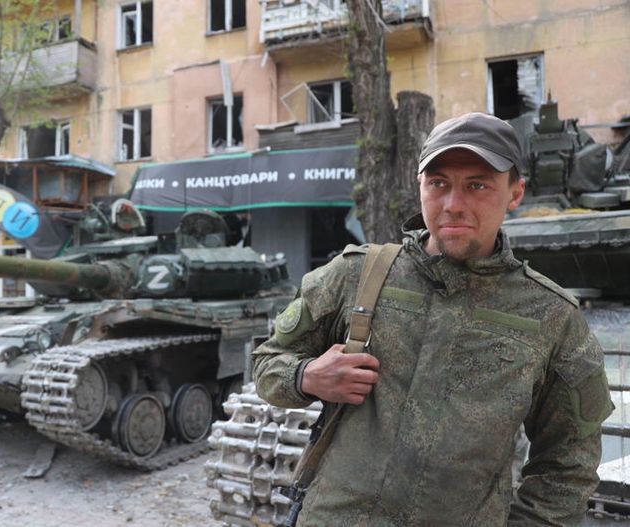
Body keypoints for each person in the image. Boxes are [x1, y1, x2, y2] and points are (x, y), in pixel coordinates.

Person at [252, 112, 613, 526]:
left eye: (477, 185)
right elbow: (266, 361)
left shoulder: (551, 316)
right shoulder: (356, 276)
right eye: (438, 183)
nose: (453, 205)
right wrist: (306, 377)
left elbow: (569, 461)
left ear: (516, 193)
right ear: (420, 186)